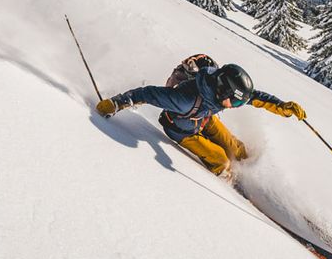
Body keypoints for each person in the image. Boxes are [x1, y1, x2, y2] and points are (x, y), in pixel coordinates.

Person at [97, 56, 306, 176]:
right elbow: (147, 94)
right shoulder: (184, 100)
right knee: (222, 160)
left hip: (204, 119)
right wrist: (115, 104)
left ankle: (249, 173)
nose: (236, 106)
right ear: (223, 92)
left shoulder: (218, 92)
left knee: (237, 149)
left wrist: (282, 107)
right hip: (183, 130)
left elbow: (253, 97)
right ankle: (226, 180)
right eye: (235, 101)